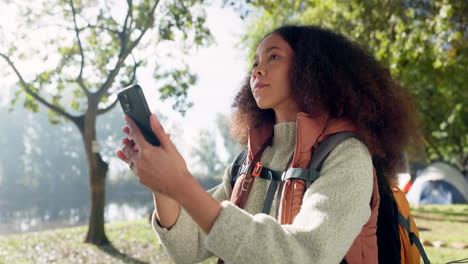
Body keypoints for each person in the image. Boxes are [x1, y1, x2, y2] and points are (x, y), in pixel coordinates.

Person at [116, 25, 420, 264]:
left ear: (313, 68)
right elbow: (187, 249)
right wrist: (162, 185)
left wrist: (181, 184)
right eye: (255, 62)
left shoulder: (346, 155)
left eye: (273, 57)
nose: (257, 70)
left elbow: (305, 255)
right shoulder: (248, 161)